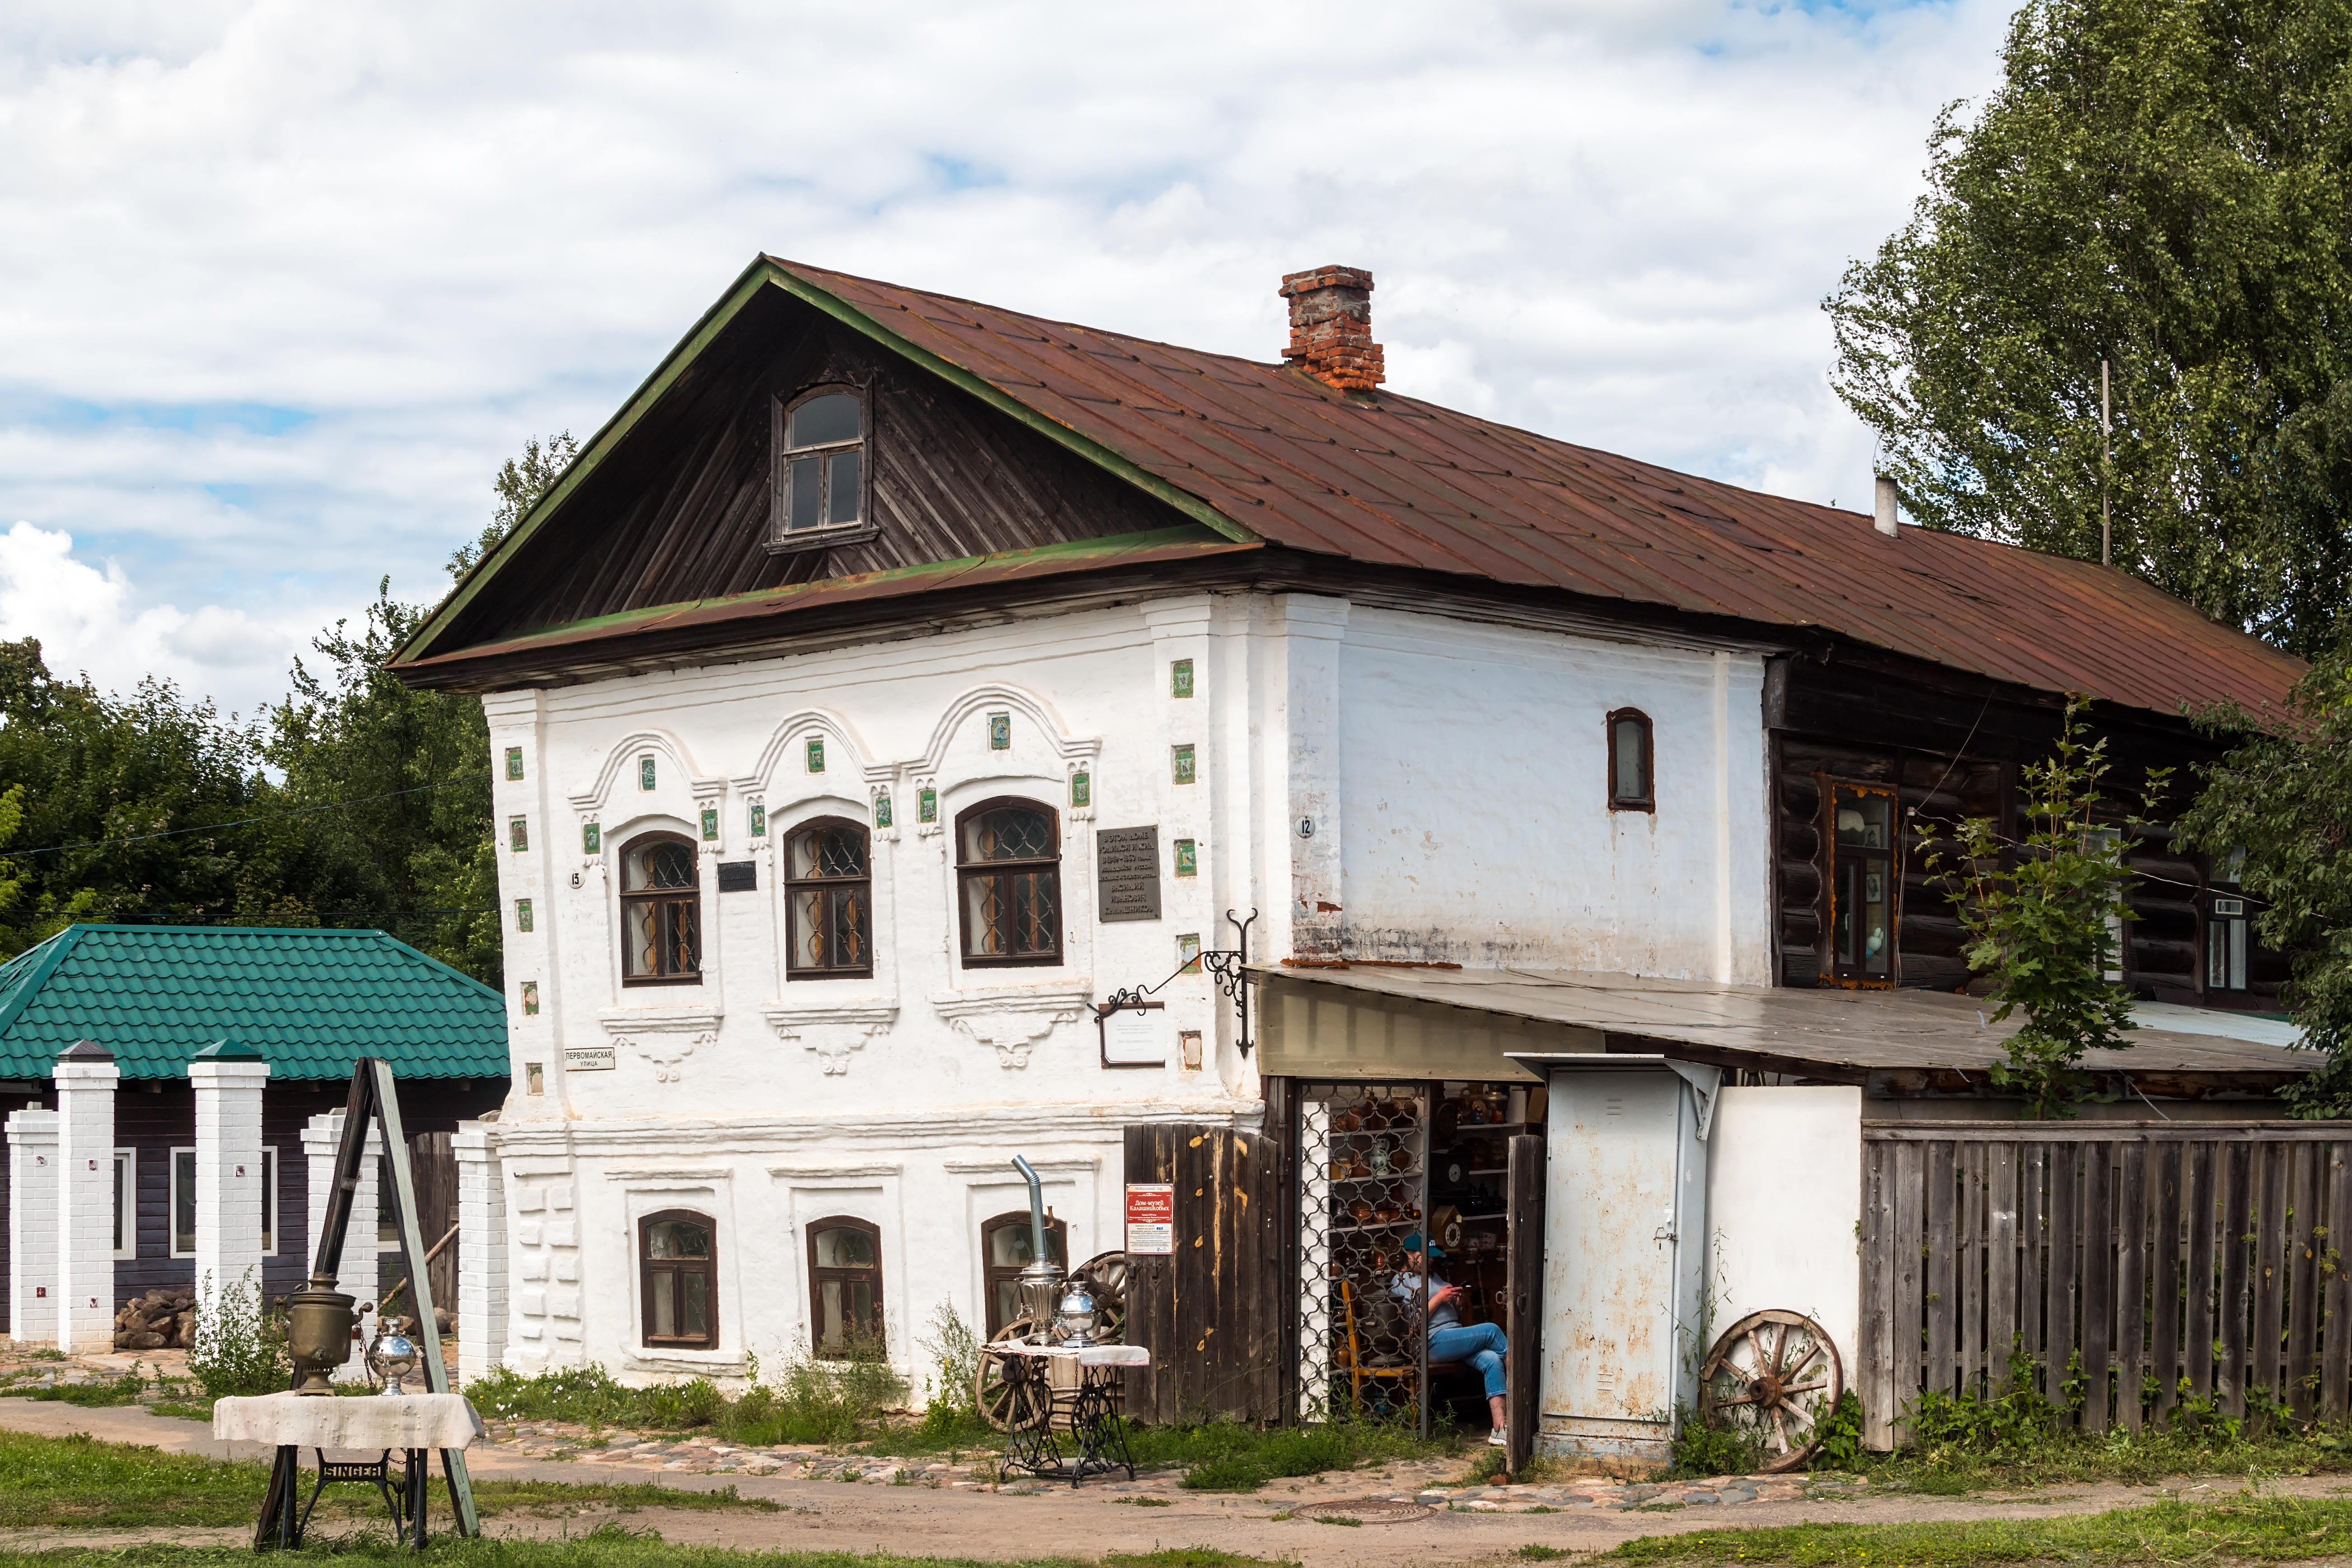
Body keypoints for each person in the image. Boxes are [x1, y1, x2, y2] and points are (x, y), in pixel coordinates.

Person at [1392, 1231, 1509, 1446]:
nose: (1431, 1259)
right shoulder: (1402, 1282)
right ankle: (1522, 1371)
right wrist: (1439, 1298)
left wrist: (1456, 1304)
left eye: (1432, 1255)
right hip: (1431, 1342)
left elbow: (1456, 1320)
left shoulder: (1434, 1277)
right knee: (1491, 1330)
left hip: (1452, 1337)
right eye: (1426, 1255)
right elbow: (1412, 1324)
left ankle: (1500, 1429)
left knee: (1492, 1359)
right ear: (1410, 1256)